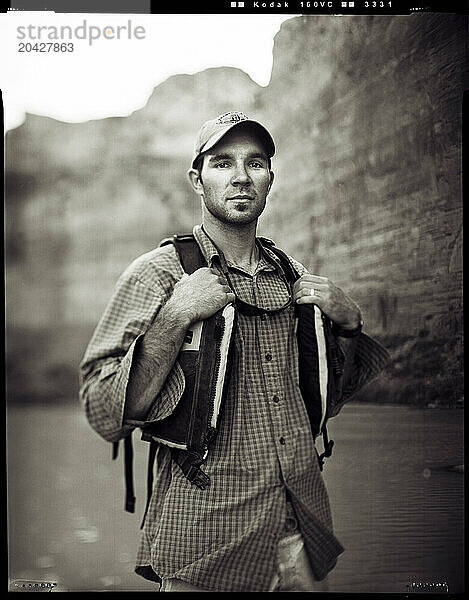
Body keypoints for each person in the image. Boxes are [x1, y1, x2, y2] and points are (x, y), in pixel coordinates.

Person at [79, 111, 389, 592]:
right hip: (205, 543)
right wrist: (175, 316)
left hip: (300, 533)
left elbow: (323, 401)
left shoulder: (294, 276)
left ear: (270, 179)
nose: (241, 176)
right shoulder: (157, 274)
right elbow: (104, 414)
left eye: (255, 162)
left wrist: (350, 326)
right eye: (222, 163)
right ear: (197, 179)